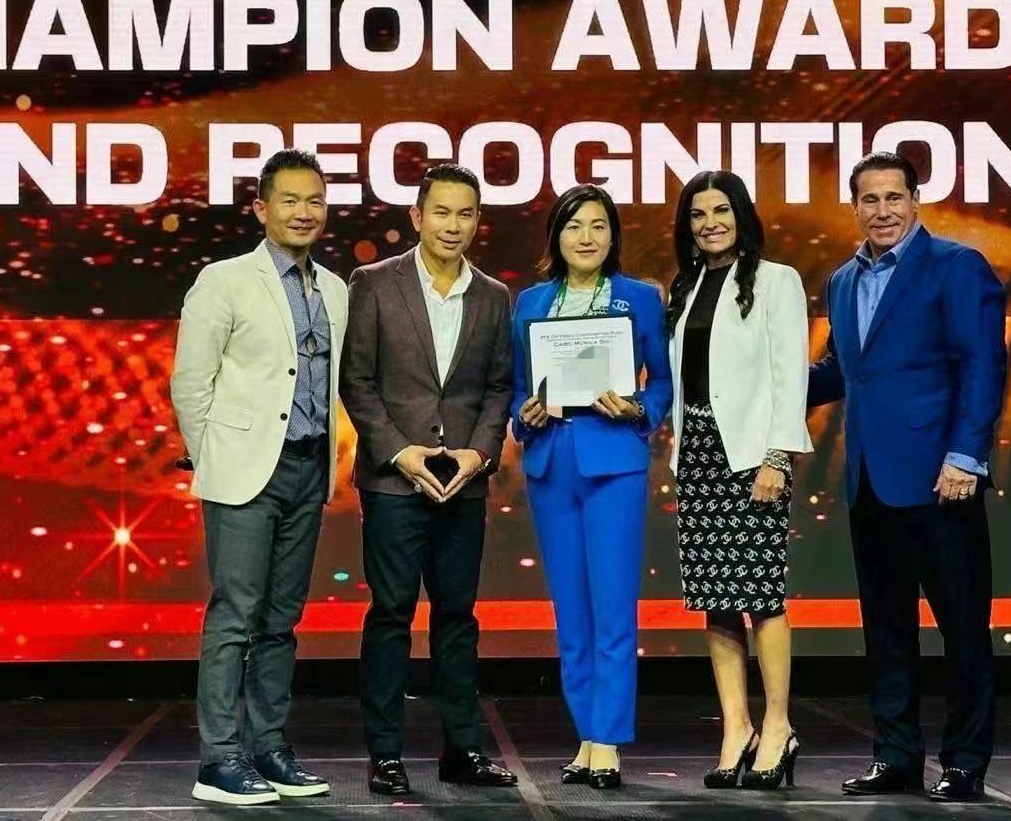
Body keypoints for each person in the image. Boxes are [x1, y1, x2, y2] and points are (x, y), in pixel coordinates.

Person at [808, 150, 1006, 803]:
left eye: (893, 197)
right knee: (886, 629)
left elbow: (981, 365)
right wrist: (753, 384)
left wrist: (965, 455)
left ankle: (965, 760)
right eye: (869, 199)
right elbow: (841, 372)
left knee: (962, 628)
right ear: (854, 207)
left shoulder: (955, 266)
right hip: (870, 479)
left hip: (940, 478)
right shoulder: (842, 281)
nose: (882, 210)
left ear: (915, 200)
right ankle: (894, 755)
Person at [170, 149, 346, 806]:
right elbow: (191, 382)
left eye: (314, 201)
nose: (303, 212)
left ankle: (269, 747)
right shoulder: (224, 280)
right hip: (245, 472)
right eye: (289, 200)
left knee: (281, 619)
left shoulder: (335, 288)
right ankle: (219, 758)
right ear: (260, 208)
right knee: (235, 614)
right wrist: (214, 456)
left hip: (308, 467)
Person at [340, 163, 517, 796]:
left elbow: (499, 388)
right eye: (441, 212)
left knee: (457, 617)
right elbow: (357, 382)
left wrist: (479, 454)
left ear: (477, 221)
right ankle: (385, 754)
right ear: (417, 216)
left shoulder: (493, 295)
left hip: (463, 482)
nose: (452, 225)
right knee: (391, 614)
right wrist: (399, 453)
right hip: (395, 482)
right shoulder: (373, 283)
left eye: (465, 214)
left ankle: (462, 749)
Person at [509, 184, 672, 790]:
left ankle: (608, 739)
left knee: (612, 607)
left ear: (613, 236)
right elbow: (517, 386)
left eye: (598, 226)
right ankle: (586, 736)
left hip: (614, 463)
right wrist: (522, 415)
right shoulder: (531, 303)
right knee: (571, 611)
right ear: (556, 236)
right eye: (574, 226)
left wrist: (638, 407)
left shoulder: (639, 299)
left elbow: (663, 383)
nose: (586, 237)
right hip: (551, 463)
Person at [666, 170, 813, 791]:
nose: (710, 223)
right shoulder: (684, 286)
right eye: (698, 214)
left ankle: (777, 726)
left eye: (721, 210)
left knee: (762, 596)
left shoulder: (777, 280)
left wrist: (778, 457)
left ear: (742, 216)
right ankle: (736, 729)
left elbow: (791, 375)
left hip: (752, 457)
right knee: (717, 601)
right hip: (698, 453)